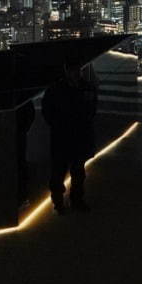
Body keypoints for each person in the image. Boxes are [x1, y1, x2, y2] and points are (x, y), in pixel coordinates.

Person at [41, 58, 98, 214]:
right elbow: (48, 112)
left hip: (73, 136)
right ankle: (60, 202)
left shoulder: (62, 89)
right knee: (60, 172)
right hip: (65, 136)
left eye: (77, 70)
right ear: (67, 71)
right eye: (73, 70)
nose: (75, 73)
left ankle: (74, 200)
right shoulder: (60, 89)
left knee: (76, 172)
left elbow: (92, 109)